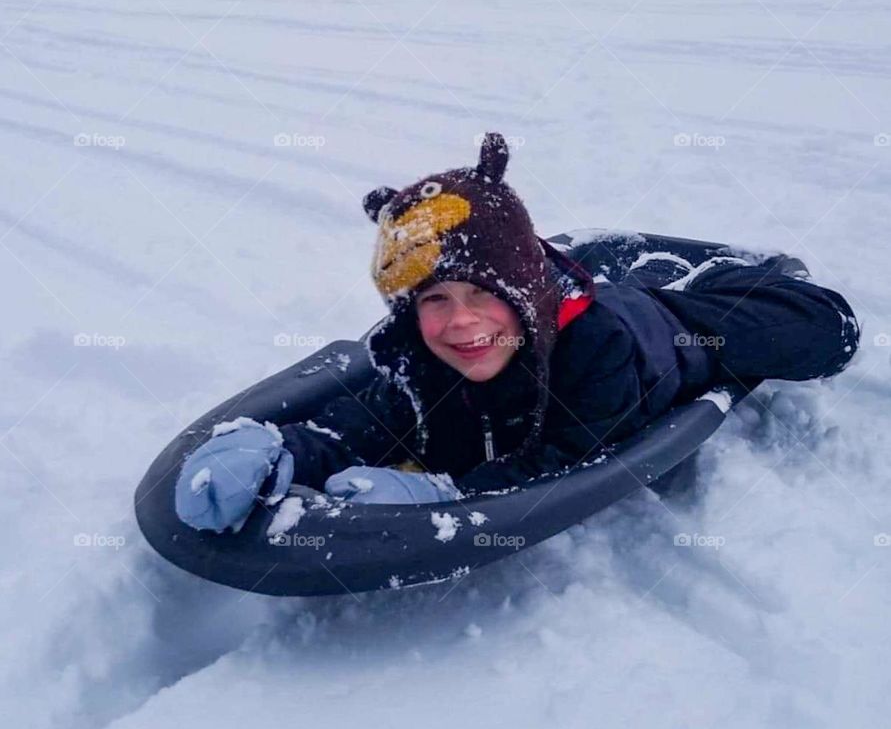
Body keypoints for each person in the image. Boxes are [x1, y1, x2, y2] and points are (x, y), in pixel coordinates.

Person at [175, 133, 861, 532]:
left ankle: (697, 280)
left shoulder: (598, 350)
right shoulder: (434, 346)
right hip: (571, 300)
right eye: (433, 300)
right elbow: (376, 412)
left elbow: (563, 459)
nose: (459, 320)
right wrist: (284, 444)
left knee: (813, 329)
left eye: (481, 294)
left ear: (522, 291)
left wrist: (446, 499)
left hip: (672, 332)